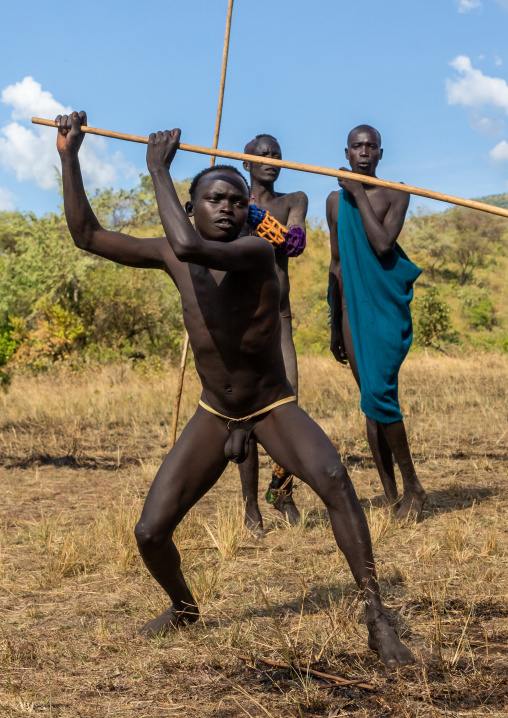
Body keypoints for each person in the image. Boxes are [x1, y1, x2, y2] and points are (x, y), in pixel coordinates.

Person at [55, 111, 414, 668]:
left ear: (248, 210)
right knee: (150, 533)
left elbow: (194, 247)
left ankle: (375, 614)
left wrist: (157, 171)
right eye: (212, 199)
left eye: (234, 199)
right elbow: (87, 236)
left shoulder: (255, 252)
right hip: (214, 412)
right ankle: (183, 607)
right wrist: (69, 156)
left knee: (336, 481)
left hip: (270, 407)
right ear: (194, 207)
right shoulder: (172, 251)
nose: (224, 207)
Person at [327, 125, 427, 520]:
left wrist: (356, 192)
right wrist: (335, 322)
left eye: (371, 147)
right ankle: (391, 495)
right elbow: (336, 264)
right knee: (371, 402)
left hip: (384, 309)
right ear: (347, 152)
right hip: (352, 312)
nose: (364, 152)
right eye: (357, 146)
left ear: (380, 154)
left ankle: (413, 487)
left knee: (380, 395)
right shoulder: (334, 202)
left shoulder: (397, 192)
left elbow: (383, 244)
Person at [239, 134, 308, 535]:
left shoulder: (293, 199)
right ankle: (251, 507)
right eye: (261, 155)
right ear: (244, 163)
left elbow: (292, 243)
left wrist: (255, 218)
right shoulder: (229, 198)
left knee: (288, 409)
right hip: (238, 322)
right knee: (243, 415)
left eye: (276, 154)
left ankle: (281, 491)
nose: (270, 159)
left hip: (278, 319)